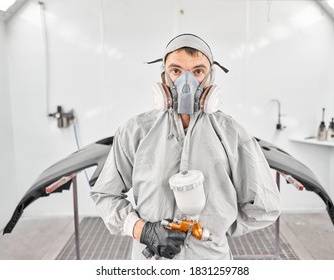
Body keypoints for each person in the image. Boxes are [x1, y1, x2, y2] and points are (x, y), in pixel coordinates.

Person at [90, 33, 281, 260]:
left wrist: (216, 229)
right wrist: (143, 230)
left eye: (198, 71)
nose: (186, 83)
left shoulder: (233, 134)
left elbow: (265, 206)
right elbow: (104, 194)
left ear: (211, 78)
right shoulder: (135, 131)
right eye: (176, 71)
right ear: (164, 77)